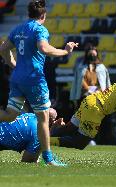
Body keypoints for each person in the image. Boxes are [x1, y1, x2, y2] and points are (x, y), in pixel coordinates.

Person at [0, 0, 78, 166]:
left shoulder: (18, 28)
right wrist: (65, 51)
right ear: (43, 15)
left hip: (17, 79)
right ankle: (48, 159)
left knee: (10, 115)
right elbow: (44, 48)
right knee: (43, 119)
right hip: (34, 79)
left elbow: (3, 49)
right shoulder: (39, 29)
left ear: (29, 14)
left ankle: (48, 157)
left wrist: (13, 64)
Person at [49, 70, 116, 150]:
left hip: (91, 101)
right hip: (96, 109)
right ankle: (45, 141)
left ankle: (41, 135)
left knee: (69, 129)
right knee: (79, 143)